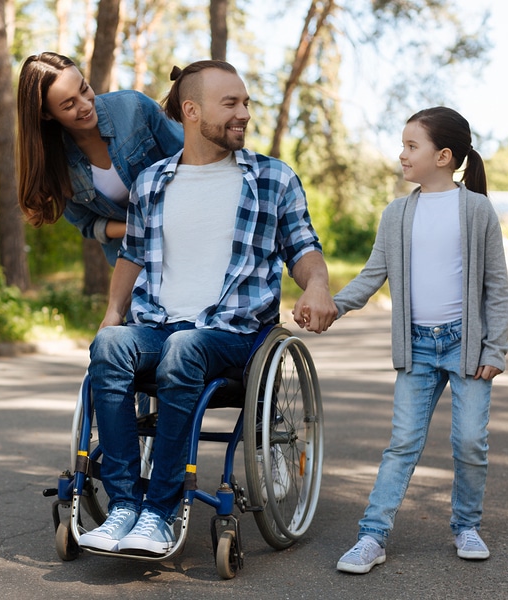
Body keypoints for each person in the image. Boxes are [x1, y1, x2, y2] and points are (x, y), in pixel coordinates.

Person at [77, 60, 338, 555]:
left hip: (234, 336)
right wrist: (113, 314)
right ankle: (125, 507)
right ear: (192, 111)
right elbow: (132, 254)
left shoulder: (272, 179)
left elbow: (302, 247)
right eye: (231, 104)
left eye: (245, 103)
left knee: (185, 347)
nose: (243, 113)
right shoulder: (152, 183)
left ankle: (160, 511)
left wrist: (317, 284)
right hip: (159, 327)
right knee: (110, 345)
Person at [333, 107, 508, 574]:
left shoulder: (477, 209)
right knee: (402, 444)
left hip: (466, 346)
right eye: (403, 145)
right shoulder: (397, 213)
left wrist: (495, 349)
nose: (402, 154)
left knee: (470, 441)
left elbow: (496, 286)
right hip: (417, 348)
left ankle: (466, 525)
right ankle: (372, 537)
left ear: (444, 156)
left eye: (412, 146)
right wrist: (334, 306)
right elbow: (373, 274)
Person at [15, 52, 184, 265]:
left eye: (84, 88)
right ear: (47, 115)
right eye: (68, 105)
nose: (85, 105)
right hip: (138, 261)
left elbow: (192, 158)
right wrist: (137, 228)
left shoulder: (134, 107)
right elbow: (88, 224)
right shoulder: (55, 164)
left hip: (190, 230)